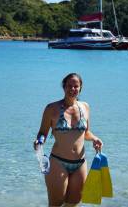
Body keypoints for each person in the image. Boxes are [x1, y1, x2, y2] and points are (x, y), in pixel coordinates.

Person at [34, 73, 103, 207]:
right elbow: (42, 133)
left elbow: (86, 133)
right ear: (64, 87)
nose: (72, 89)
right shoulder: (51, 109)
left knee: (73, 203)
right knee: (56, 204)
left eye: (76, 86)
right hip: (58, 163)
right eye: (69, 86)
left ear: (80, 88)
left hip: (80, 164)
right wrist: (39, 141)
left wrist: (95, 138)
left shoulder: (85, 107)